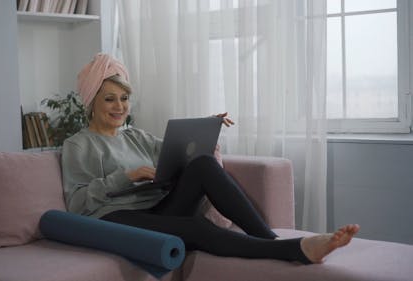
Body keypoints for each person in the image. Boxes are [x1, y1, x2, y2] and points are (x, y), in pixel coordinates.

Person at [61, 53, 359, 264]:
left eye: (124, 98)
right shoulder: (78, 144)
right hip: (115, 220)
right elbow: (76, 203)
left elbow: (178, 153)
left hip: (156, 211)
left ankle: (269, 240)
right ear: (92, 102)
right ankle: (295, 251)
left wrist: (205, 127)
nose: (119, 106)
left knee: (202, 164)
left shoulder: (134, 136)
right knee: (197, 228)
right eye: (109, 98)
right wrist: (127, 175)